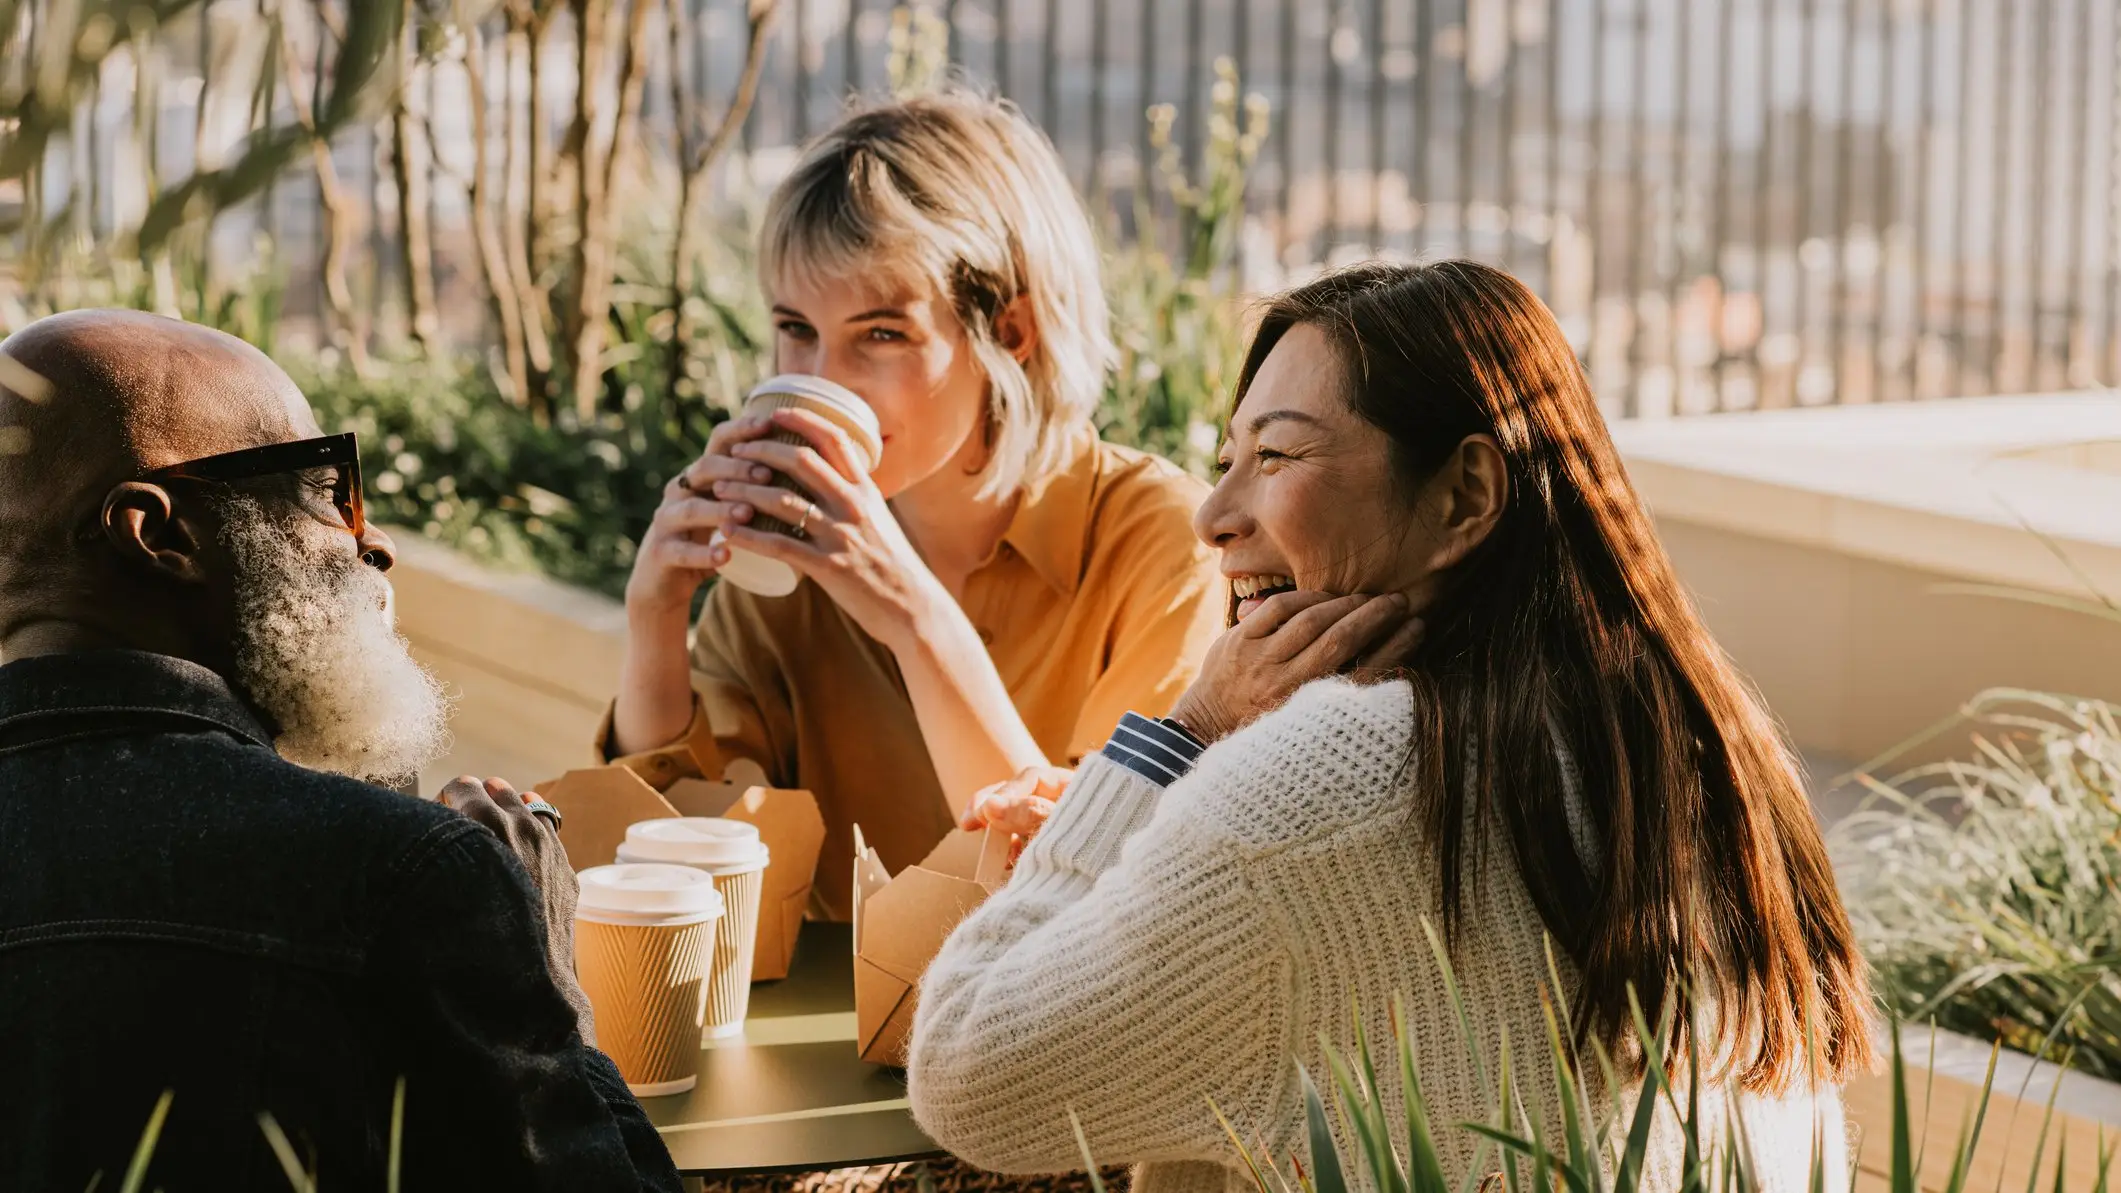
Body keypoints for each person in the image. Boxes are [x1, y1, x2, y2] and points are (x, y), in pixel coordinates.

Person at [908, 262, 1876, 1193]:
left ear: (1464, 497)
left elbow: (965, 1069)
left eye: (1276, 455)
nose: (1212, 515)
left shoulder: (1324, 785)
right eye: (1224, 460)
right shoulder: (1703, 749)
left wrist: (1186, 731)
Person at [0, 310, 680, 1192]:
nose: (374, 540)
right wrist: (548, 986)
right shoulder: (408, 878)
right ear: (159, 534)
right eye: (326, 490)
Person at [604, 88, 1223, 917]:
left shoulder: (1165, 544)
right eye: (795, 327)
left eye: (880, 334)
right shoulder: (787, 565)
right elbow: (676, 876)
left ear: (1010, 333)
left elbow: (1091, 900)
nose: (820, 379)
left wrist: (913, 616)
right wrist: (654, 618)